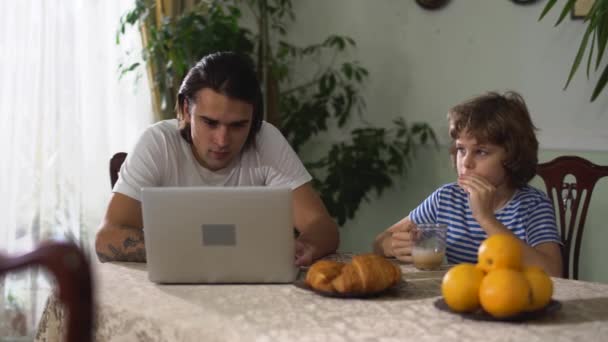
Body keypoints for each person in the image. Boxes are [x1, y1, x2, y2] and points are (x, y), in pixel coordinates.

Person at [95, 51, 339, 266]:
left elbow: (323, 228)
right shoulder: (158, 143)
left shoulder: (266, 139)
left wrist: (303, 247)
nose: (222, 140)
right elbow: (107, 237)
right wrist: (188, 251)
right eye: (210, 123)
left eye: (238, 125)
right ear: (184, 110)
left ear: (253, 120)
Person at [373, 91, 562, 277]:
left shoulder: (533, 205)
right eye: (461, 149)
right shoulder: (446, 198)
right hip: (460, 296)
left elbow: (553, 272)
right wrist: (390, 246)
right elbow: (379, 241)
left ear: (513, 157)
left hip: (510, 299)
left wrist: (486, 218)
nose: (465, 162)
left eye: (481, 152)